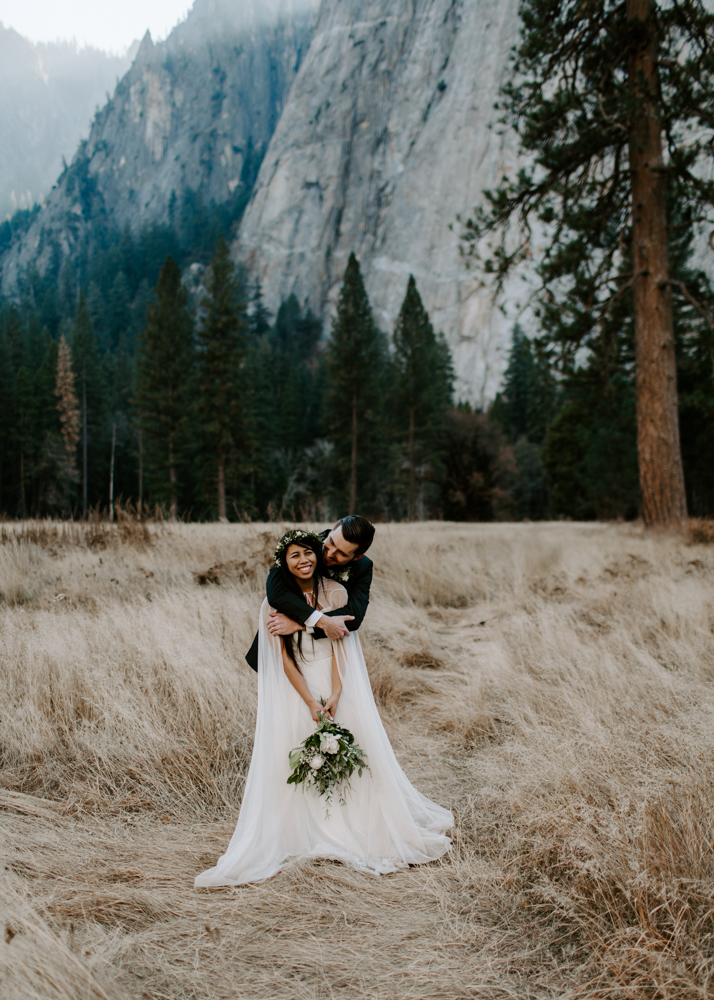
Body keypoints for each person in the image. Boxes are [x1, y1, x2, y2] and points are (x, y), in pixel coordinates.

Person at [195, 529, 452, 886]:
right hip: (296, 683)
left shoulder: (345, 584)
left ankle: (361, 824)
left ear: (354, 556)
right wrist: (309, 699)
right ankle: (301, 828)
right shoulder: (289, 574)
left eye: (335, 552)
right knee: (293, 746)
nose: (322, 555)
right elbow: (283, 651)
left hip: (333, 676)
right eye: (325, 545)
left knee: (356, 746)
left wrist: (333, 690)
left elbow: (349, 626)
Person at [244, 515, 375, 671]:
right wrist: (323, 621)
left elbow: (354, 616)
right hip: (281, 646)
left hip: (325, 653)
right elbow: (276, 592)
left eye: (341, 553)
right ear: (332, 529)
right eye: (331, 542)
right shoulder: (304, 544)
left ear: (357, 556)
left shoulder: (363, 567)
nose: (329, 553)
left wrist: (301, 625)